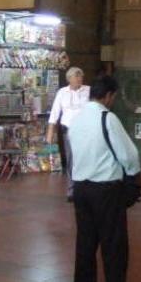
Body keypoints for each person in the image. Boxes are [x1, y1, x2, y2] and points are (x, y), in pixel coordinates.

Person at [68, 75, 141, 282]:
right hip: (106, 191)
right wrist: (135, 176)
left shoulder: (76, 120)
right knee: (114, 249)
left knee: (85, 247)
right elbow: (128, 154)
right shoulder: (107, 118)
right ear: (109, 95)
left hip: (81, 190)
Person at [46, 67, 90, 201]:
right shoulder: (62, 93)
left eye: (80, 77)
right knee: (71, 160)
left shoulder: (88, 90)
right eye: (76, 77)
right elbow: (54, 113)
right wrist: (50, 133)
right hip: (68, 131)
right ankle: (72, 190)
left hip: (85, 131)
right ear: (69, 79)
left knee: (84, 159)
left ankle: (85, 189)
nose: (79, 79)